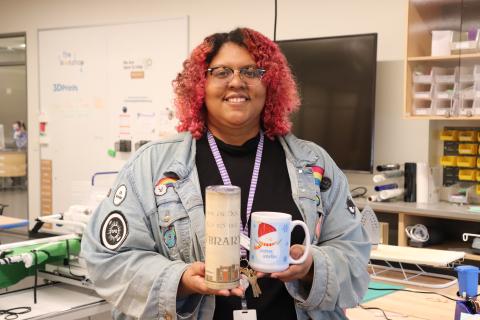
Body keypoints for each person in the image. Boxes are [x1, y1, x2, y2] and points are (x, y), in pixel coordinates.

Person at [81, 27, 371, 320]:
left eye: (251, 71)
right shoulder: (151, 166)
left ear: (270, 84)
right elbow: (106, 258)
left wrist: (312, 267)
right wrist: (178, 280)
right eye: (221, 72)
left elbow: (355, 254)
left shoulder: (315, 165)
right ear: (200, 85)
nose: (236, 82)